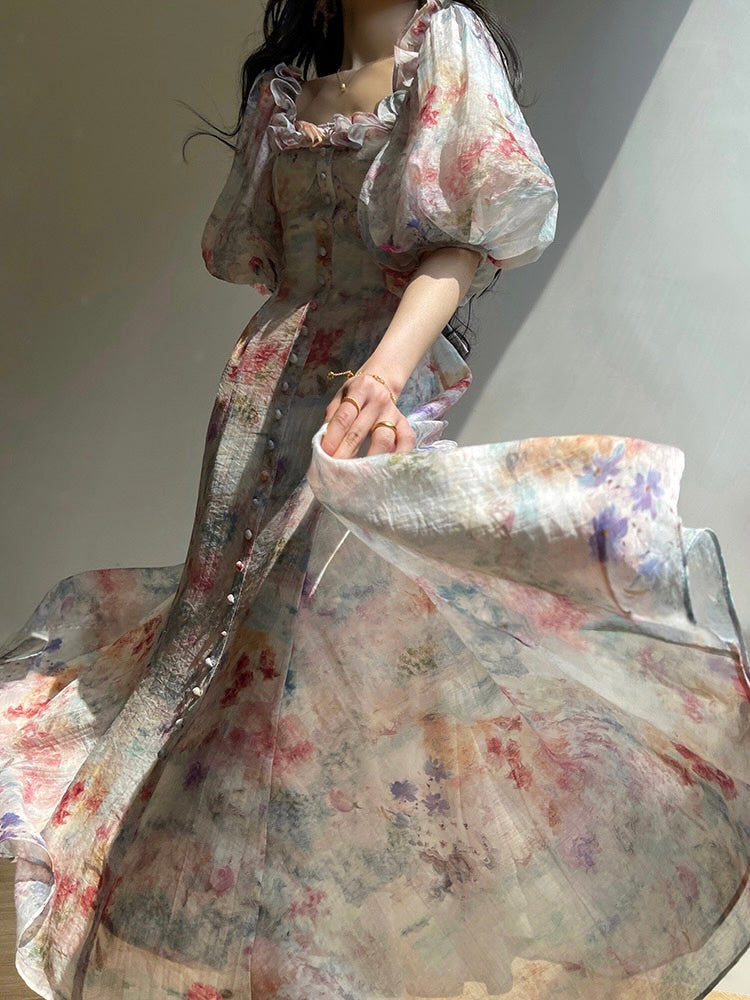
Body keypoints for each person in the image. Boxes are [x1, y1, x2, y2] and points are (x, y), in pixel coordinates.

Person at [1, 0, 748, 998]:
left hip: (372, 398)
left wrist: (383, 379)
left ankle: (356, 947)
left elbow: (464, 244)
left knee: (349, 652)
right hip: (257, 403)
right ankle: (254, 944)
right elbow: (266, 260)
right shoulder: (282, 101)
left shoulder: (442, 49)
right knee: (233, 651)